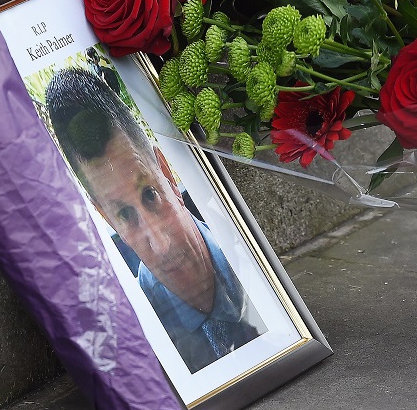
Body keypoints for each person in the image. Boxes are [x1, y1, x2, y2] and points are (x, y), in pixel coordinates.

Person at [46, 67, 266, 373]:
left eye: (150, 194)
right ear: (105, 218)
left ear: (167, 173)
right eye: (124, 214)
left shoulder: (256, 261)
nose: (161, 245)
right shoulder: (135, 345)